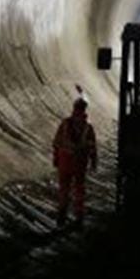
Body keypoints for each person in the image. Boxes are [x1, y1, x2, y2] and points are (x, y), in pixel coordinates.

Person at [53, 97, 97, 226]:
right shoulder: (88, 128)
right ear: (84, 110)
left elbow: (57, 143)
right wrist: (93, 161)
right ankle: (79, 216)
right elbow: (93, 147)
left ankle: (62, 215)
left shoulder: (65, 124)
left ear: (74, 108)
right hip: (79, 163)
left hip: (65, 161)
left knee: (64, 189)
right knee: (79, 189)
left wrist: (56, 158)